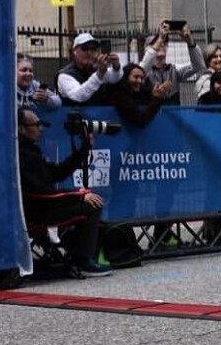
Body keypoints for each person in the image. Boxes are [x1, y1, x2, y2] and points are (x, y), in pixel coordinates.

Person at [17, 107, 110, 277]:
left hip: (43, 205)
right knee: (92, 206)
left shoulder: (29, 150)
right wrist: (80, 196)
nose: (40, 129)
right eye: (36, 125)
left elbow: (56, 173)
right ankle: (83, 261)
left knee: (88, 200)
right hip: (38, 211)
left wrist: (83, 150)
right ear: (21, 129)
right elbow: (42, 192)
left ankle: (76, 254)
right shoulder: (23, 155)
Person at [140, 21, 207, 104]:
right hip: (151, 112)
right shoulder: (142, 72)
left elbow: (198, 66)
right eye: (155, 42)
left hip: (172, 112)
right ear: (146, 49)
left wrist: (190, 41)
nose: (162, 44)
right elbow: (143, 68)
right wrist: (160, 39)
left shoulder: (174, 70)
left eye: (165, 42)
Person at [56, 32, 121, 105]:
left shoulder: (97, 68)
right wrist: (99, 74)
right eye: (84, 48)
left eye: (93, 49)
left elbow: (114, 78)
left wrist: (116, 67)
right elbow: (79, 96)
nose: (89, 53)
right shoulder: (65, 75)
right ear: (75, 51)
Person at [111, 62, 174, 128]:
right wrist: (156, 99)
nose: (139, 81)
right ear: (126, 77)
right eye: (136, 77)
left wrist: (156, 95)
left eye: (142, 78)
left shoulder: (143, 93)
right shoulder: (119, 95)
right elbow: (140, 120)